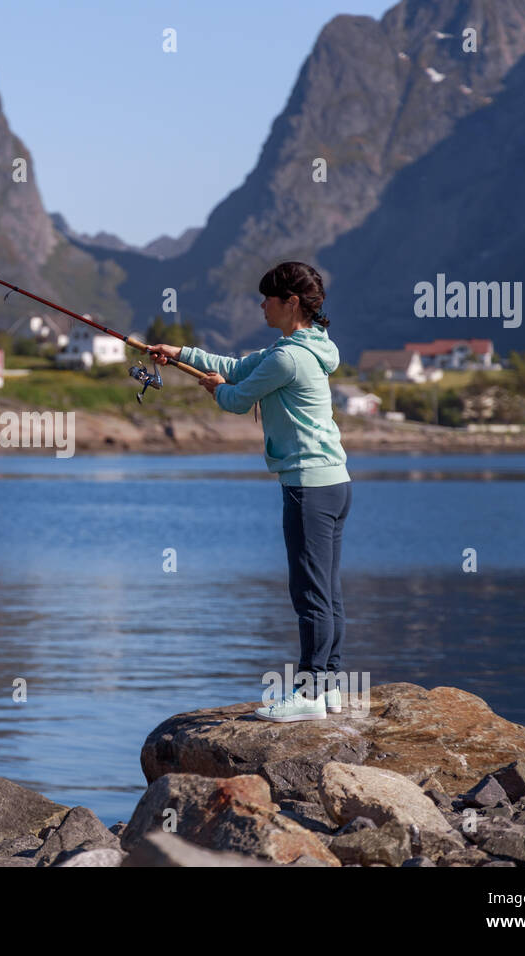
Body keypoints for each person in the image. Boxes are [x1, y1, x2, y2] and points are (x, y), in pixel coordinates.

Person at [147, 262, 351, 722]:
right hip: (335, 482)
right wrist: (178, 352)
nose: (261, 306)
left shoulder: (287, 357)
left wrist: (217, 391)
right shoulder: (307, 348)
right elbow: (238, 368)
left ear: (291, 303)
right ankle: (332, 685)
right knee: (328, 591)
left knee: (310, 594)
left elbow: (237, 397)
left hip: (308, 486)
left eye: (268, 299)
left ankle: (311, 693)